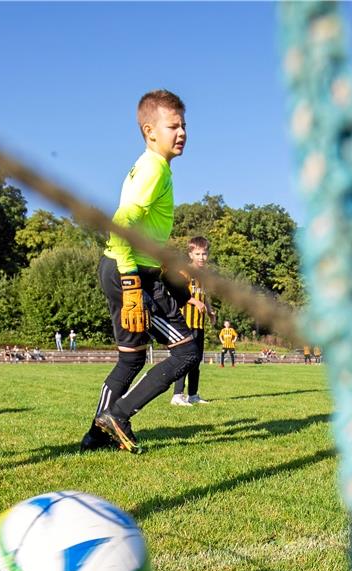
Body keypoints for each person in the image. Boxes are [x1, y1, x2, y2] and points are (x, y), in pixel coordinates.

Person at [81, 89, 201, 454]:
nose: (182, 133)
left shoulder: (147, 165)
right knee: (186, 352)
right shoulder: (154, 167)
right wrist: (134, 284)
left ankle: (96, 435)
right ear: (150, 131)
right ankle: (118, 415)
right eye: (173, 126)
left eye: (184, 126)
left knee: (131, 357)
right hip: (129, 273)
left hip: (118, 268)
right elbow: (121, 223)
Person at [170, 236, 214, 406]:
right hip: (185, 322)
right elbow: (176, 292)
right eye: (197, 254)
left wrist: (209, 309)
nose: (201, 257)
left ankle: (193, 395)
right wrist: (195, 302)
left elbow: (204, 295)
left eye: (204, 254)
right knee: (185, 358)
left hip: (199, 323)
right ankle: (177, 395)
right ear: (190, 254)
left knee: (196, 359)